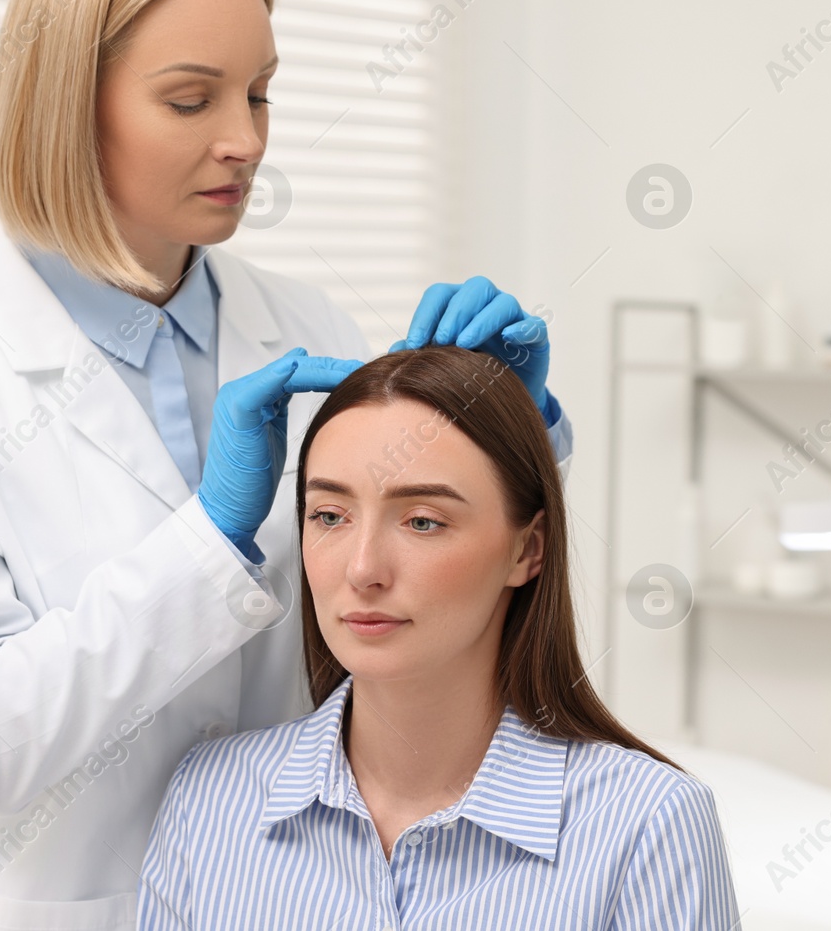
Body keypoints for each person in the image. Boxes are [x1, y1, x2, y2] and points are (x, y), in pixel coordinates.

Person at [0, 0, 571, 931]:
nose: (245, 141)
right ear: (64, 107)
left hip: (290, 893)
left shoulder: (302, 324)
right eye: (191, 100)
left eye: (261, 95)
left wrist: (516, 430)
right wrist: (211, 537)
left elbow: (407, 593)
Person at [138, 345, 737, 929]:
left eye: (423, 521)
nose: (362, 568)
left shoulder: (646, 824)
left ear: (527, 549)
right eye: (329, 516)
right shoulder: (211, 801)